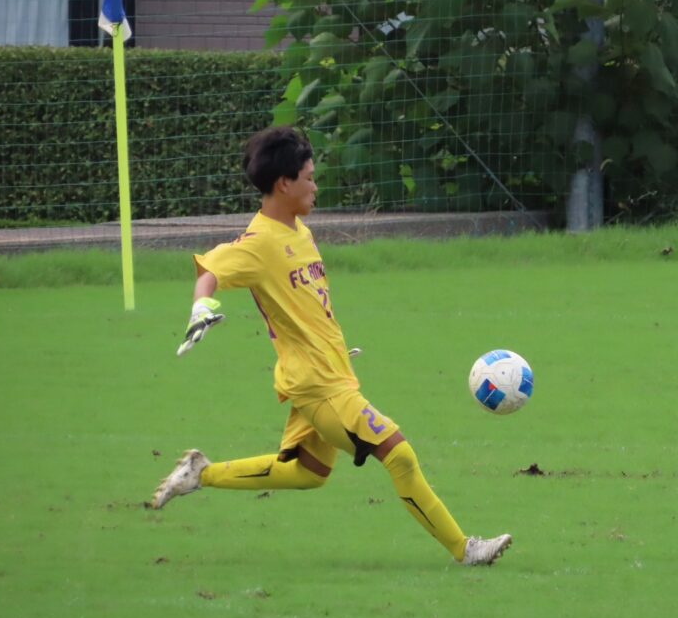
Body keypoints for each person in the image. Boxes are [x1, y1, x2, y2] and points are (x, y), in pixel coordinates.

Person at [151, 126, 512, 566]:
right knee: (399, 454)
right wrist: (201, 306)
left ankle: (200, 473)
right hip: (318, 383)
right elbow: (210, 270)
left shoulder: (300, 232)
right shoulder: (259, 244)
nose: (315, 186)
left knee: (308, 473)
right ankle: (465, 549)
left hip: (331, 370)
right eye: (309, 177)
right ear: (284, 183)